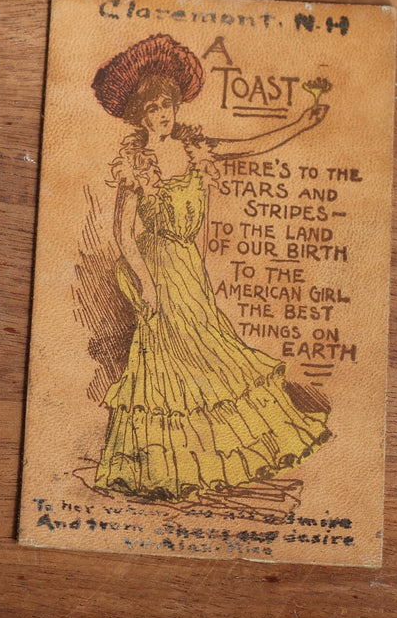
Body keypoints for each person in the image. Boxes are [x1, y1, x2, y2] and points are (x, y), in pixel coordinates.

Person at [89, 34, 331, 501]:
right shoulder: (135, 163)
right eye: (152, 108)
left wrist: (302, 123)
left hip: (187, 267)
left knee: (207, 352)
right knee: (166, 361)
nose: (162, 114)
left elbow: (253, 144)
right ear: (139, 114)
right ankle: (164, 462)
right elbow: (122, 233)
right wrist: (147, 285)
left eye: (167, 104)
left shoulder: (196, 147)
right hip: (156, 268)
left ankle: (209, 452)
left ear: (176, 106)